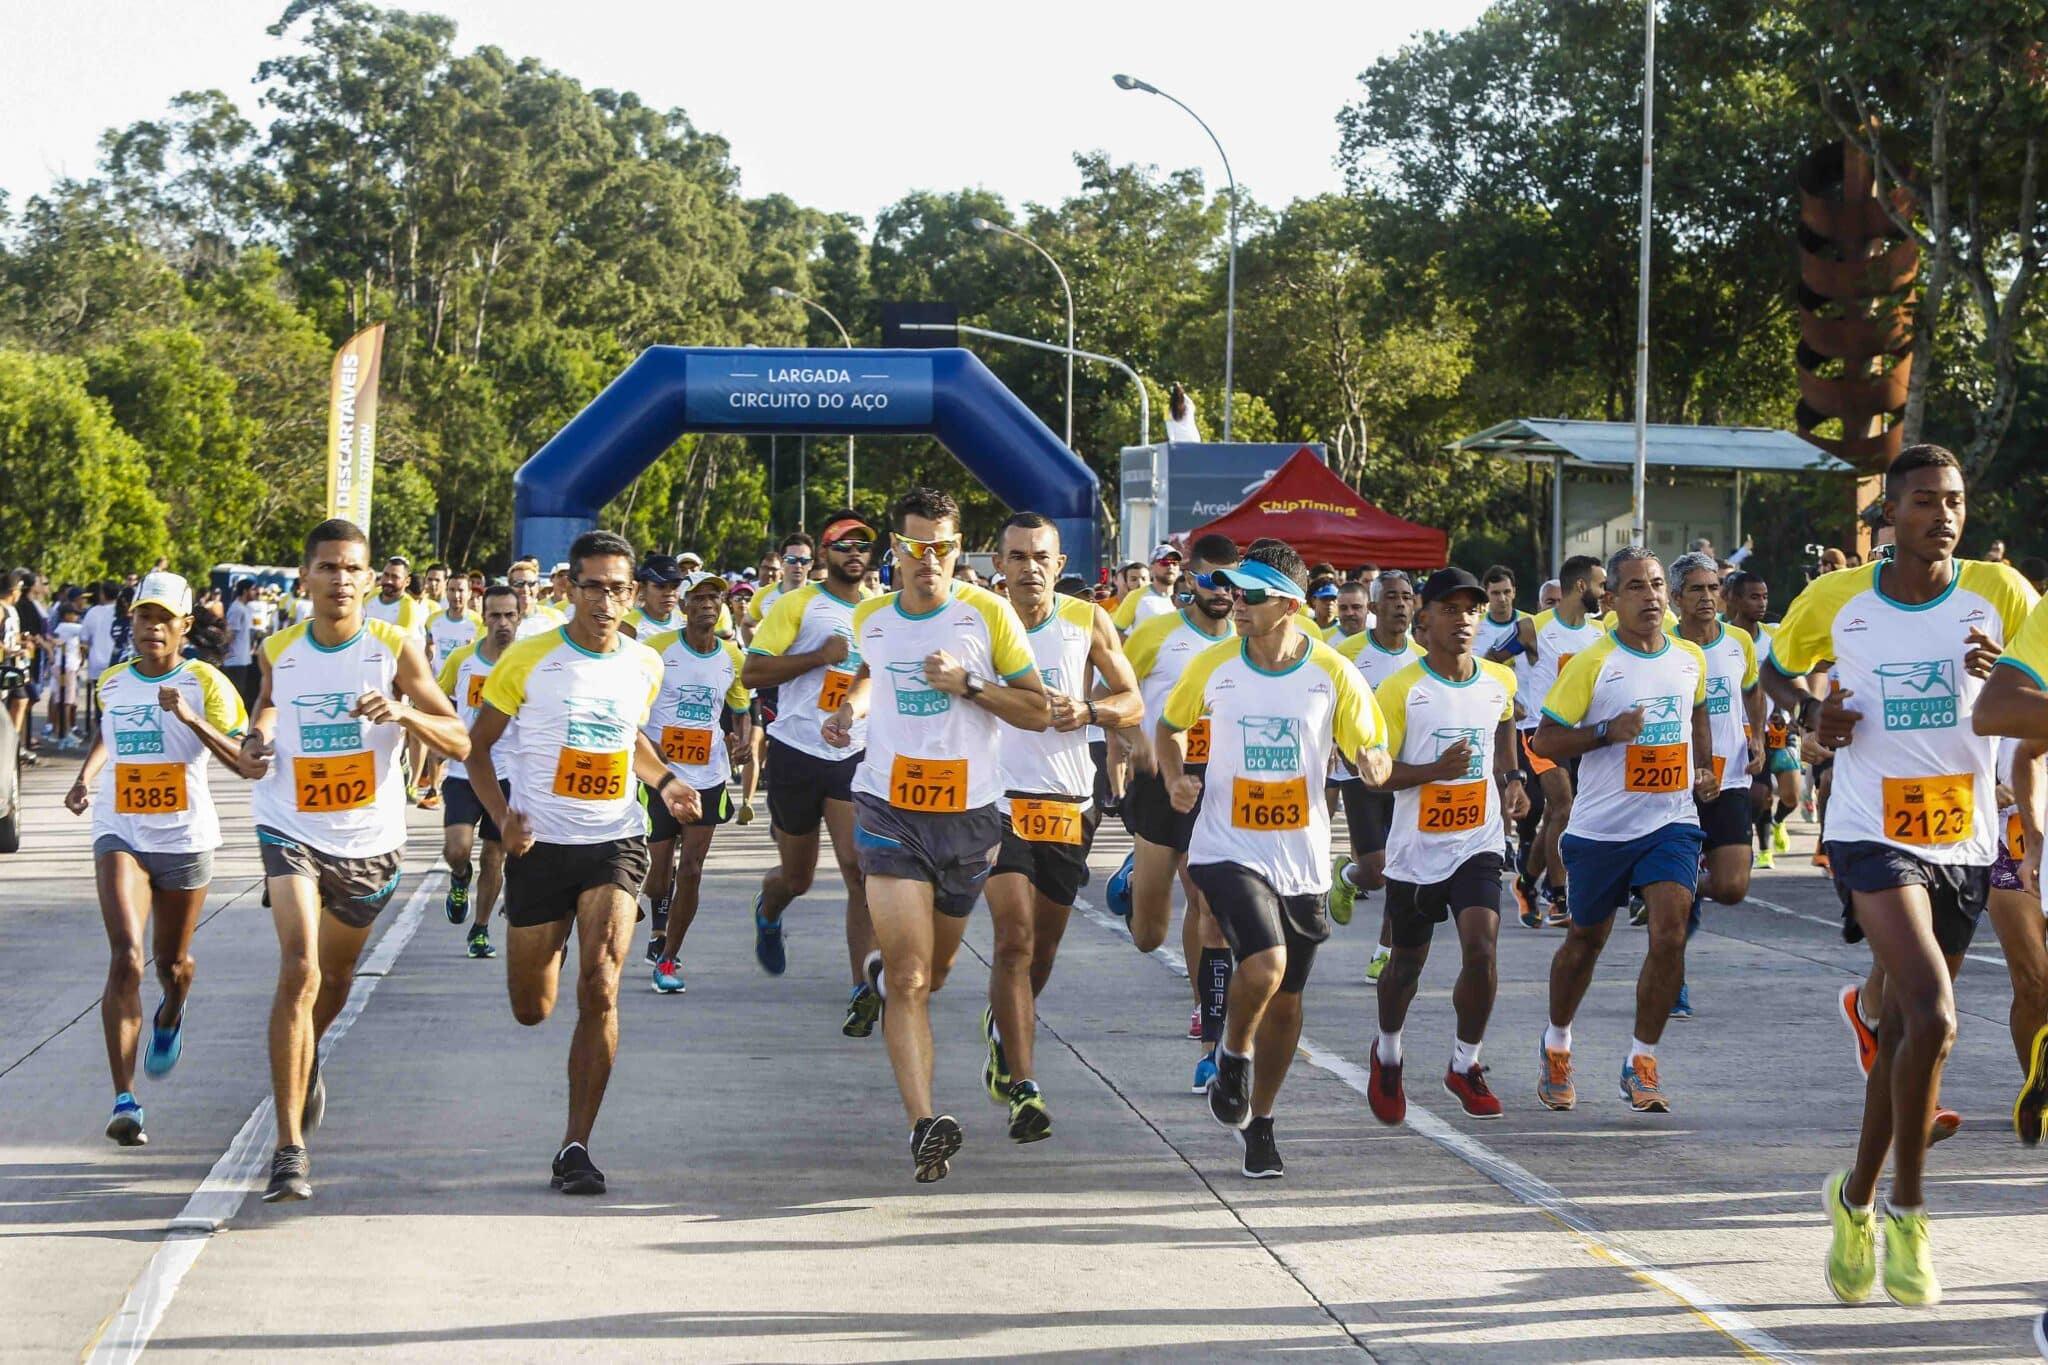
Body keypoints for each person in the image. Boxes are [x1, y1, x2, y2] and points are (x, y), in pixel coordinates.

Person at [1771, 445, 2034, 1305]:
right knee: (1934, 1011)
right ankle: (1911, 1212)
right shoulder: (1837, 599)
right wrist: (1816, 714)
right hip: (1868, 828)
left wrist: (2010, 679)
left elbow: (2033, 685)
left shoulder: (2001, 593)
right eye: (1925, 502)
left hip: (1963, 833)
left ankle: (1853, 1197)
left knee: (1907, 1040)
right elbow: (1773, 668)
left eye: (1955, 501)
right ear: (1890, 516)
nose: (1945, 516)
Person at [237, 519, 470, 1203]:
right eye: (327, 568)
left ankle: (302, 1059)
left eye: (352, 569)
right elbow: (271, 709)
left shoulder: (394, 647)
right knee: (301, 965)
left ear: (371, 581)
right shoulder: (278, 647)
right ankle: (288, 1148)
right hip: (291, 825)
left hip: (369, 840)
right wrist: (255, 737)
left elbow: (457, 737)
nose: (341, 580)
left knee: (333, 979)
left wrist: (402, 710)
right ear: (305, 578)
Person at [825, 487, 1049, 1182]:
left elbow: (1038, 710)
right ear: (896, 549)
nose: (931, 560)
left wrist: (969, 685)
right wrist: (848, 711)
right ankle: (924, 1123)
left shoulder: (987, 616)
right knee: (910, 976)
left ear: (959, 548)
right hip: (889, 811)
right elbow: (871, 672)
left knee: (941, 971)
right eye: (917, 547)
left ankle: (918, 1017)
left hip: (971, 819)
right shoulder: (872, 617)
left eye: (944, 547)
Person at [466, 530, 696, 1196]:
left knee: (601, 983)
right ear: (569, 588)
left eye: (617, 587)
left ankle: (576, 1145)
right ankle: (555, 934)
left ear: (633, 593)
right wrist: (502, 817)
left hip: (615, 841)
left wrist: (667, 780)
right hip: (541, 846)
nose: (605, 599)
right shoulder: (529, 659)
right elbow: (478, 749)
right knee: (532, 1008)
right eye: (592, 585)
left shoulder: (644, 663)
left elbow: (632, 741)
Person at [1160, 540, 1388, 1177]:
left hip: (1303, 859)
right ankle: (1232, 1054)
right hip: (1226, 846)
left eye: (1251, 594)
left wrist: (1373, 763)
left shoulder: (1332, 672)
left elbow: (1372, 746)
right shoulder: (1214, 665)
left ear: (1288, 604)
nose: (1236, 602)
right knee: (1265, 961)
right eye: (1233, 589)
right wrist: (1178, 774)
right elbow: (1170, 726)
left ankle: (1260, 1120)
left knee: (1287, 1001)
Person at [64, 573, 247, 1146]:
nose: (152, 628)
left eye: (164, 618)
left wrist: (190, 718)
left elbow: (244, 757)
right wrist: (85, 778)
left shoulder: (206, 682)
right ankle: (125, 1099)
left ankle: (172, 1009)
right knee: (126, 955)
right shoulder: (113, 682)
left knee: (173, 964)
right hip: (120, 831)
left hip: (185, 839)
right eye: (144, 617)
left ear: (185, 627)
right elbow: (109, 733)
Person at [1532, 546, 1714, 1120]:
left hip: (1672, 821)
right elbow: (1545, 741)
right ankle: (1557, 1044)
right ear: (1610, 599)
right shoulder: (1592, 662)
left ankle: (1642, 1060)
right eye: (1636, 586)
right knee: (1585, 942)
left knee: (1670, 932)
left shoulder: (1689, 657)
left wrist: (1706, 768)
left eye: (1658, 584)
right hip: (1601, 829)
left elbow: (1698, 712)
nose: (1652, 596)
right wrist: (1608, 732)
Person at [976, 512, 1141, 1142]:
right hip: (997, 802)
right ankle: (1025, 1086)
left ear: (1060, 562)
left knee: (1041, 952)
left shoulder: (1087, 619)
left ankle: (1001, 1028)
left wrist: (1091, 710)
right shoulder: (979, 621)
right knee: (1014, 940)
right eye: (1016, 557)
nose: (1029, 569)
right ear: (999, 565)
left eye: (1040, 557)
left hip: (1070, 803)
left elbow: (1132, 700)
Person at [1364, 567, 1527, 1124]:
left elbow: (1505, 724)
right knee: (1405, 969)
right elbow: (1375, 775)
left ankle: (1465, 1064)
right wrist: (1435, 770)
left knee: (1482, 949)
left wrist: (1512, 781)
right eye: (1451, 609)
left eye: (1473, 610)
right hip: (1415, 852)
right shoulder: (1400, 689)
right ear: (1424, 618)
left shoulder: (1497, 681)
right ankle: (1387, 1053)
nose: (1464, 620)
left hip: (1477, 842)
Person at [741, 512, 884, 1034]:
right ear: (824, 552)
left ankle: (861, 990)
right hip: (797, 751)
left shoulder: (881, 612)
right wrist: (817, 658)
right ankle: (770, 909)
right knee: (797, 878)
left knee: (857, 869)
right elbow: (752, 672)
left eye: (863, 543)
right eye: (842, 543)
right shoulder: (796, 604)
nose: (854, 551)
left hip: (852, 751)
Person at [1115, 533, 1241, 1085]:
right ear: (1190, 580)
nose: (1222, 591)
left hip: (1218, 789)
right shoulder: (1157, 632)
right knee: (1148, 935)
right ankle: (1134, 870)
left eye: (1231, 580)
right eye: (1211, 579)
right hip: (1161, 784)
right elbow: (1112, 689)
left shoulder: (1250, 637)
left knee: (1208, 906)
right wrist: (1130, 739)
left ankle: (1211, 1035)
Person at [1662, 554, 1764, 1017]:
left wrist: (1757, 736)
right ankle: (1672, 984)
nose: (1707, 597)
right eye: (1697, 590)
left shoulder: (1739, 641)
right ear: (1676, 598)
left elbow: (1753, 691)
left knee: (1731, 887)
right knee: (1672, 904)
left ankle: (1681, 888)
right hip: (1674, 783)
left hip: (1731, 778)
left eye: (1712, 588)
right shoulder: (1663, 646)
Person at [642, 572, 753, 991]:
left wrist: (740, 741)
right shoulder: (656, 651)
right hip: (660, 774)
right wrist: (653, 744)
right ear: (684, 607)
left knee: (690, 869)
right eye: (700, 598)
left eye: (715, 598)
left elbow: (740, 709)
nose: (709, 604)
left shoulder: (732, 657)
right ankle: (652, 902)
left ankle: (668, 958)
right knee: (658, 875)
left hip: (707, 775)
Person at [1332, 572, 1426, 980]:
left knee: (1402, 868)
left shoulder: (1422, 658)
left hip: (1405, 775)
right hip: (1359, 774)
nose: (1401, 605)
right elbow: (1331, 711)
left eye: (1407, 597)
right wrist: (1351, 758)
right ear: (1374, 607)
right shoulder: (1346, 654)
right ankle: (1348, 875)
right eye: (1392, 597)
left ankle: (1384, 950)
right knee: (1376, 870)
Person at [1511, 555, 1607, 928]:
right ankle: (1559, 896)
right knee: (1563, 806)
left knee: (1556, 815)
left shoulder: (1599, 634)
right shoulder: (1533, 628)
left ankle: (1525, 882)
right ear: (1581, 587)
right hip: (1540, 732)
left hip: (1581, 735)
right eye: (1600, 584)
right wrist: (1511, 699)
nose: (1604, 592)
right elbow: (1490, 660)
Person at [435, 585, 521, 959]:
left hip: (509, 773)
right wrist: (435, 745)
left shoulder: (526, 664)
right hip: (463, 770)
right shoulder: (462, 660)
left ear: (519, 618)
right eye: (495, 615)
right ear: (482, 617)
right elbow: (437, 704)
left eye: (510, 615)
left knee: (493, 856)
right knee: (458, 849)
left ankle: (481, 929)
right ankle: (458, 878)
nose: (502, 623)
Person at [1112, 544, 1184, 633]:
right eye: (1164, 562)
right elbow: (1115, 632)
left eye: (1175, 563)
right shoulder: (1136, 596)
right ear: (1151, 568)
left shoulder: (1188, 597)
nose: (1170, 567)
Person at [620, 554, 684, 640]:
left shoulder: (685, 621)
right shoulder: (627, 625)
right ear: (643, 588)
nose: (669, 593)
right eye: (661, 586)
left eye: (675, 586)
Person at [1477, 566, 1529, 664]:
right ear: (1486, 594)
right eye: (1495, 593)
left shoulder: (1531, 624)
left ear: (1514, 592)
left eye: (1506, 592)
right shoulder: (1475, 625)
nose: (1502, 598)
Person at [509, 559, 567, 639]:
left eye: (531, 583)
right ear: (509, 588)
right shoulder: (498, 619)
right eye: (519, 583)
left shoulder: (556, 617)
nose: (525, 589)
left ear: (537, 587)